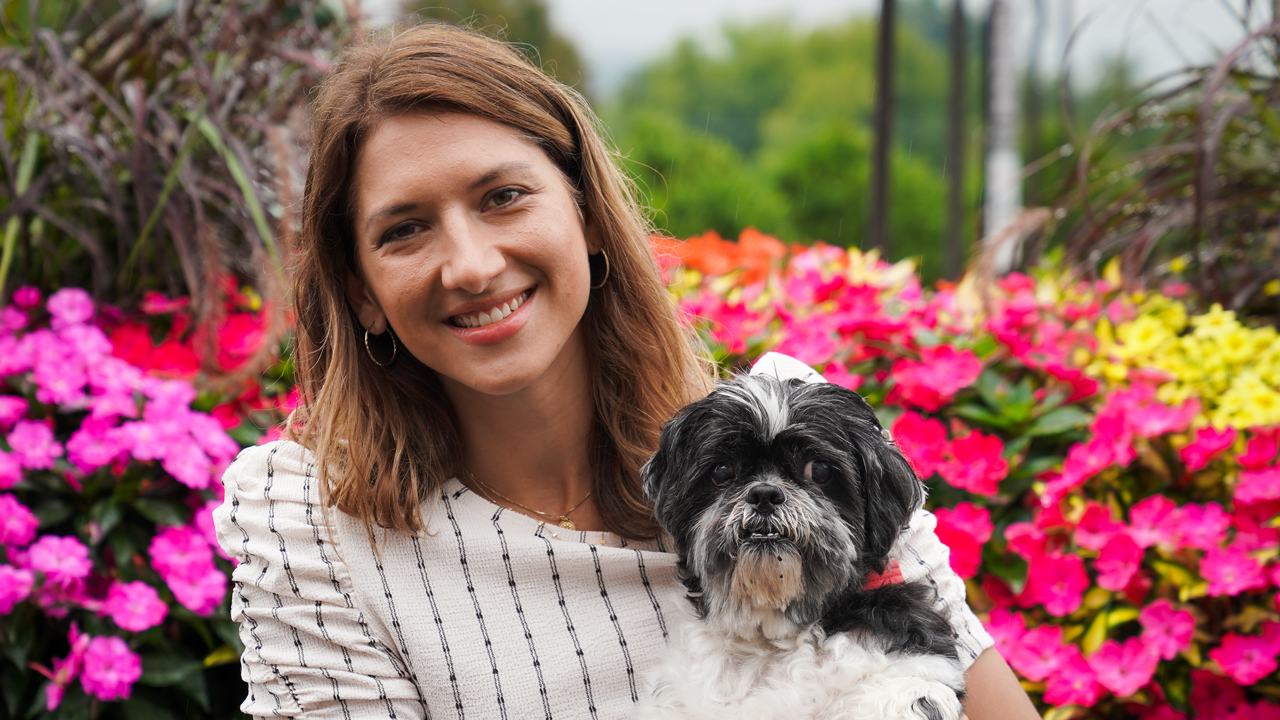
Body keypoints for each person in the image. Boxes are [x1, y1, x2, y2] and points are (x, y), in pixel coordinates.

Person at [213, 22, 1039, 720]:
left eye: (502, 196)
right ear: (360, 293)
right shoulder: (314, 537)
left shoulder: (800, 432)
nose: (468, 265)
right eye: (404, 230)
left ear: (590, 217)